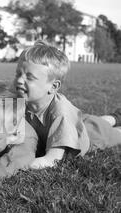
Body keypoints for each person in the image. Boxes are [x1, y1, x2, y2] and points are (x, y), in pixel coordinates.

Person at [13, 40, 121, 169]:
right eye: (18, 74)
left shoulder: (61, 114)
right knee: (99, 121)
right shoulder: (20, 98)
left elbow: (53, 159)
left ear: (53, 86)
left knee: (108, 130)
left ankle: (116, 119)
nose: (19, 80)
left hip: (92, 136)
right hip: (81, 121)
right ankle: (116, 116)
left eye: (29, 77)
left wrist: (16, 165)